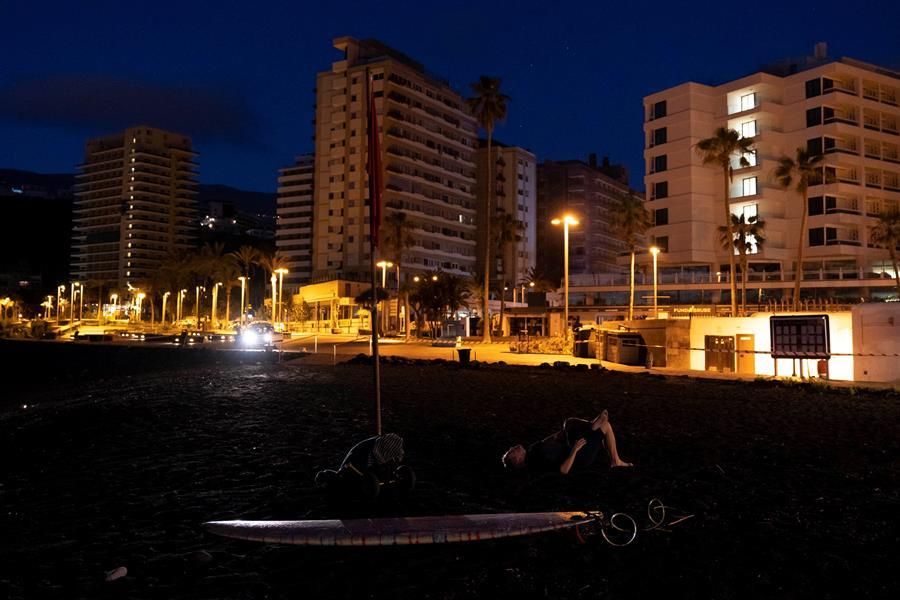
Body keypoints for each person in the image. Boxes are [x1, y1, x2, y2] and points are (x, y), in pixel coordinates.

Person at [502, 410, 632, 475]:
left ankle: (591, 427)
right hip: (579, 456)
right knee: (605, 424)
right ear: (517, 459)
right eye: (513, 451)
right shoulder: (537, 460)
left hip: (569, 445)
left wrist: (561, 433)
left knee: (569, 423)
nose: (514, 447)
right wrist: (574, 450)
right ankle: (615, 460)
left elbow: (548, 441)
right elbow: (564, 470)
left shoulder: (531, 451)